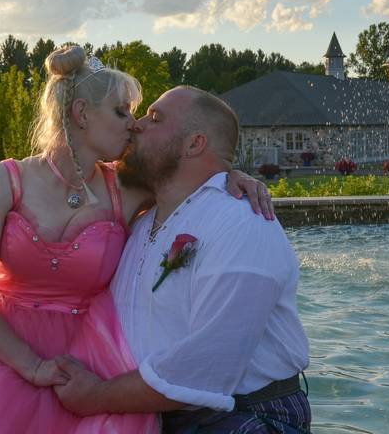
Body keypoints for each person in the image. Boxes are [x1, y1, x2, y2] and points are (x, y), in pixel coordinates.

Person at [0, 47, 273, 433]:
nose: (132, 125)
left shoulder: (127, 189)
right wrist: (30, 366)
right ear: (80, 115)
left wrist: (233, 174)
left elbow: (189, 170)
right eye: (121, 112)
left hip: (87, 353)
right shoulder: (6, 180)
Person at [52, 86, 311, 433]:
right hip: (146, 411)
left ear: (194, 144)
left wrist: (96, 395)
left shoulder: (241, 222)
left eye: (154, 118)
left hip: (240, 417)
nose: (136, 125)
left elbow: (209, 365)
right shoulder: (143, 219)